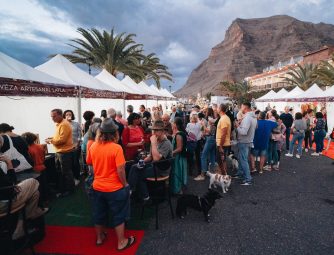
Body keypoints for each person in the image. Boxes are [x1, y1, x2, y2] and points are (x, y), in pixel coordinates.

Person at [86, 118, 135, 250]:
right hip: (115, 188)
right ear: (115, 133)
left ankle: (99, 238)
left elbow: (89, 162)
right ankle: (121, 242)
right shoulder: (116, 148)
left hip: (97, 187)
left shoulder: (93, 146)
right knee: (119, 214)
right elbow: (120, 169)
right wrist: (125, 184)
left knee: (98, 213)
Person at [128, 120, 173, 201]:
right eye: (153, 130)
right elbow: (151, 157)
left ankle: (145, 197)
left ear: (162, 131)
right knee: (134, 166)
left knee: (139, 175)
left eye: (157, 130)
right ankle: (130, 190)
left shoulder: (166, 143)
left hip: (161, 170)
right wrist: (142, 161)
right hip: (154, 166)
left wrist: (153, 143)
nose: (154, 132)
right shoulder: (156, 141)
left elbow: (156, 159)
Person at [0, 152, 49, 220]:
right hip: (5, 203)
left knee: (35, 193)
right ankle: (30, 215)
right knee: (33, 181)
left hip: (5, 198)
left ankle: (22, 225)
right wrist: (8, 162)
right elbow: (12, 185)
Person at [45, 109, 74, 197]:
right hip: (60, 152)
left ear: (60, 115)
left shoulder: (64, 124)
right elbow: (59, 137)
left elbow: (62, 140)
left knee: (66, 172)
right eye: (51, 116)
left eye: (54, 116)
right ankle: (64, 188)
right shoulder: (60, 124)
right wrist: (52, 138)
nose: (52, 118)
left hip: (64, 153)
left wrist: (50, 140)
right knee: (61, 172)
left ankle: (70, 190)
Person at [21, 132, 48, 203]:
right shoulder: (40, 146)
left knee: (37, 187)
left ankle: (40, 201)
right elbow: (44, 157)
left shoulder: (28, 149)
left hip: (35, 170)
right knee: (44, 184)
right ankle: (46, 199)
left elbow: (29, 161)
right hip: (42, 167)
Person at [235, 102, 257, 185]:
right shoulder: (253, 117)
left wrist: (237, 126)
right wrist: (241, 124)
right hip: (248, 141)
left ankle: (248, 179)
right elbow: (255, 127)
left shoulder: (248, 117)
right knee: (242, 159)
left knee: (243, 160)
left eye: (241, 107)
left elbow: (244, 132)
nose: (240, 109)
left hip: (244, 141)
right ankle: (240, 174)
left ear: (245, 108)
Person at [195, 110, 217, 180]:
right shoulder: (216, 120)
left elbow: (209, 131)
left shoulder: (213, 121)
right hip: (213, 138)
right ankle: (212, 172)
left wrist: (204, 125)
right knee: (212, 155)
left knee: (203, 156)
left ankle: (203, 174)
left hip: (210, 139)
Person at [63, 110, 82, 186]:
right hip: (67, 148)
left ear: (72, 115)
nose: (68, 115)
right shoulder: (62, 124)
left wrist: (77, 143)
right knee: (69, 163)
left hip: (76, 146)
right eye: (67, 114)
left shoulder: (76, 124)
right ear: (64, 116)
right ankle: (71, 179)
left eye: (70, 114)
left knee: (75, 162)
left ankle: (77, 178)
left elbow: (80, 135)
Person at [171, 117, 187, 194]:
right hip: (180, 156)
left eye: (173, 123)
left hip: (178, 157)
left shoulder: (178, 135)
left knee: (177, 173)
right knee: (179, 172)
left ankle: (178, 190)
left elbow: (179, 148)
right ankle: (179, 188)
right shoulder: (179, 133)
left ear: (175, 125)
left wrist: (171, 152)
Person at [214, 104, 231, 176]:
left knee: (221, 162)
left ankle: (224, 177)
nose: (216, 109)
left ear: (220, 109)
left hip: (222, 144)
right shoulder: (224, 118)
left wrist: (220, 146)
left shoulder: (224, 119)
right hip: (222, 143)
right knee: (222, 161)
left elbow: (224, 133)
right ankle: (224, 177)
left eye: (217, 107)